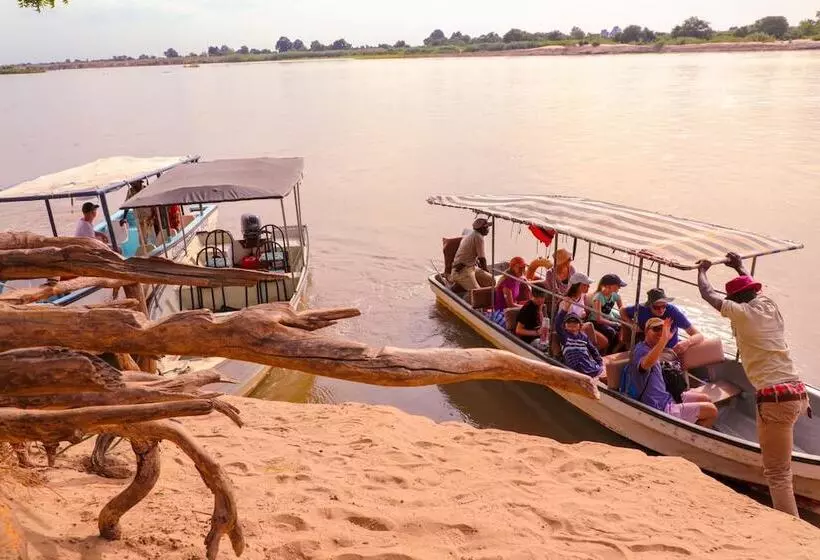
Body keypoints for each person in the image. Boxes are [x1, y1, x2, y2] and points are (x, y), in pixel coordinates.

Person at [697, 252, 808, 517]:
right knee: (779, 462)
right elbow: (751, 286)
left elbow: (707, 294)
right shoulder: (769, 306)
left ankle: (791, 528)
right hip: (797, 395)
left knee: (778, 473)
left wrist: (702, 270)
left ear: (735, 300)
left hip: (775, 399)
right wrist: (739, 267)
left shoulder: (741, 313)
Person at [623, 317, 717, 427]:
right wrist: (663, 340)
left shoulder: (653, 349)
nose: (660, 332)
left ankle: (686, 427)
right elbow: (646, 364)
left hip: (668, 397)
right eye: (656, 329)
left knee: (706, 398)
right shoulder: (641, 350)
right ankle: (688, 438)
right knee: (712, 411)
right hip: (658, 406)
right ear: (646, 331)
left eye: (662, 330)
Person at [620, 287, 703, 356]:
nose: (661, 310)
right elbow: (622, 310)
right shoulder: (641, 309)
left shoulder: (672, 312)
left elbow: (699, 335)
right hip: (646, 346)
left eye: (664, 306)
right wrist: (631, 323)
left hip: (667, 350)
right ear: (649, 305)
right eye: (657, 307)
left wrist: (687, 342)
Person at [557, 272, 608, 351]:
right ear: (577, 286)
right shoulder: (566, 303)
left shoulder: (582, 295)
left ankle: (591, 352)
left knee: (604, 342)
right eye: (585, 285)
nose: (589, 286)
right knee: (590, 326)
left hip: (581, 325)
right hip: (572, 329)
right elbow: (563, 324)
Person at [451, 217, 494, 300]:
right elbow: (482, 258)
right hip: (462, 271)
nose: (488, 230)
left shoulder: (473, 234)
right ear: (483, 229)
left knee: (491, 281)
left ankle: (461, 285)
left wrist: (484, 271)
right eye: (487, 228)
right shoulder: (478, 237)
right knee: (478, 294)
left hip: (471, 267)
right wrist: (485, 270)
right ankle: (466, 299)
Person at [590, 273, 627, 352]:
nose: (619, 288)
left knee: (623, 329)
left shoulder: (615, 296)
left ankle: (616, 350)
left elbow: (622, 310)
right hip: (595, 321)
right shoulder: (598, 297)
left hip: (608, 319)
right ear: (608, 286)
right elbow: (599, 319)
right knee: (611, 332)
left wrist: (625, 320)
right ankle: (606, 352)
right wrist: (614, 323)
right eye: (618, 286)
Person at [489, 256, 529, 326]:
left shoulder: (518, 279)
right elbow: (510, 305)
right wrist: (526, 307)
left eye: (524, 268)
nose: (523, 270)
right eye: (520, 268)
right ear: (513, 268)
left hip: (513, 308)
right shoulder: (507, 282)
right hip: (502, 311)